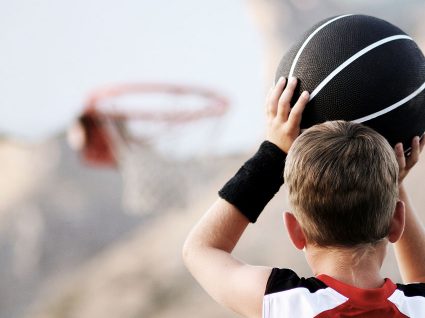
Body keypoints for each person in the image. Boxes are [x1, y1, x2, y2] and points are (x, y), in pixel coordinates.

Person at [182, 76, 425, 317]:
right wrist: (393, 186)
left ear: (295, 230)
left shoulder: (286, 304)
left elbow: (200, 249)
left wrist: (273, 152)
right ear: (397, 221)